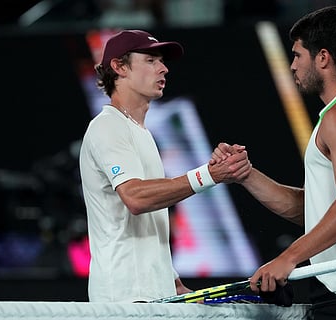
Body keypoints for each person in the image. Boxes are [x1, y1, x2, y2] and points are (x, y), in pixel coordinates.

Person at [212, 6, 336, 319]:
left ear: (323, 58)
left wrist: (288, 259)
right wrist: (245, 174)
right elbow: (316, 213)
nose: (292, 66)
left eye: (298, 55)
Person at [78, 29, 250, 303]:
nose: (164, 68)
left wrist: (170, 279)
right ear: (119, 67)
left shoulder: (142, 133)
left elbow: (142, 220)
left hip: (153, 294)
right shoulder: (107, 126)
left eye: (162, 61)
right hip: (124, 299)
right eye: (150, 60)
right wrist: (209, 174)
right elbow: (135, 197)